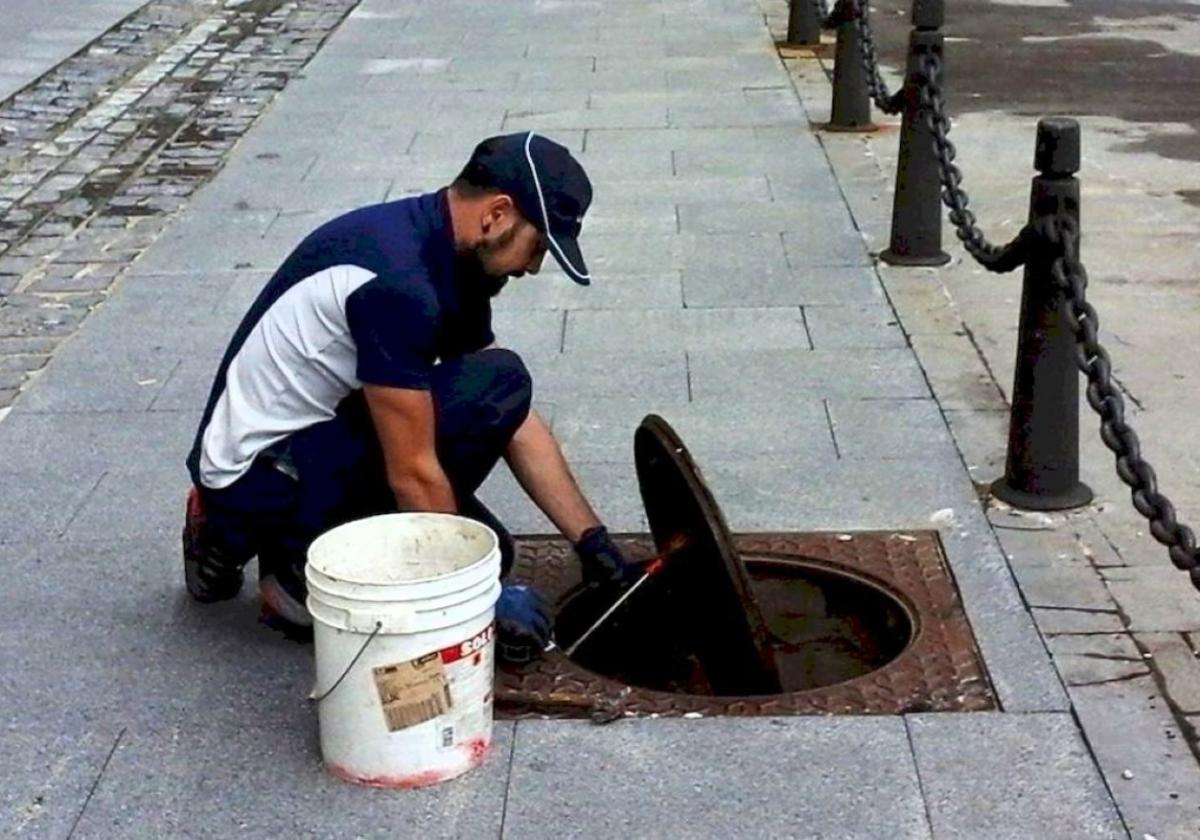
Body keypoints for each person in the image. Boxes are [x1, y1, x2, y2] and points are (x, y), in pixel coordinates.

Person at [181, 131, 635, 655]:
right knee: (497, 392)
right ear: (497, 214)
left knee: (496, 540)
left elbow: (514, 419)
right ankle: (292, 576)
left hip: (314, 441)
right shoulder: (397, 282)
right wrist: (471, 602)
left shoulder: (448, 255)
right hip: (258, 480)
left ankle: (308, 550)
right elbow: (412, 469)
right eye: (538, 247)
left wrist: (591, 540)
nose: (532, 269)